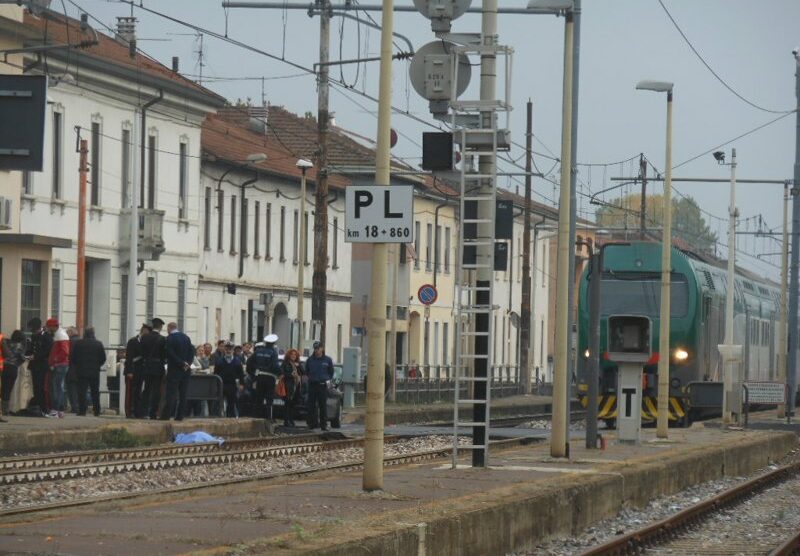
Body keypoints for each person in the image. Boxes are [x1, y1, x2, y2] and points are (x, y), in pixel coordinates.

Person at [70, 327, 107, 416]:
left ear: (85, 333)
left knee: (82, 391)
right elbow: (103, 358)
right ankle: (97, 410)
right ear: (93, 333)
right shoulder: (98, 344)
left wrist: (78, 366)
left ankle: (82, 410)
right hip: (94, 371)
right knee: (95, 391)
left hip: (81, 371)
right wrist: (97, 365)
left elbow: (73, 357)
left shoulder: (79, 343)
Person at [163, 322, 194, 421]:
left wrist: (181, 363)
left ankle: (166, 415)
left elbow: (170, 353)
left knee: (171, 393)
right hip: (186, 370)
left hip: (175, 369)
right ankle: (180, 415)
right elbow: (191, 352)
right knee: (183, 394)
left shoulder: (170, 338)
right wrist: (187, 363)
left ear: (169, 328)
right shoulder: (186, 337)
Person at [246, 334, 279, 422]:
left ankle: (257, 418)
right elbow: (276, 367)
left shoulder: (257, 352)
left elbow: (249, 363)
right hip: (270, 378)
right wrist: (280, 373)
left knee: (258, 398)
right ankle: (269, 418)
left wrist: (253, 374)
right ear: (273, 343)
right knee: (269, 400)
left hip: (259, 377)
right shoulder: (273, 352)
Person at [138, 318, 166, 419]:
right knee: (156, 391)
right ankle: (153, 413)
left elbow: (141, 352)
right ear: (160, 327)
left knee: (146, 389)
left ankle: (143, 412)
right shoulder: (162, 339)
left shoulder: (145, 337)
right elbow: (164, 354)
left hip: (147, 366)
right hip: (158, 367)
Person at [306, 341, 334, 431]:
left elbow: (331, 372)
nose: (316, 351)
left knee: (323, 406)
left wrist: (326, 379)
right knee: (311, 406)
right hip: (312, 385)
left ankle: (323, 425)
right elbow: (307, 371)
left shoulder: (327, 360)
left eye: (318, 349)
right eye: (315, 349)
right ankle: (311, 424)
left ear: (322, 349)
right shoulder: (310, 360)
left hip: (322, 386)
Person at [26, 317, 52, 415]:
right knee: (36, 386)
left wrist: (35, 356)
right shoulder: (34, 336)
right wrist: (28, 355)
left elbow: (47, 350)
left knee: (41, 386)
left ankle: (43, 407)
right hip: (34, 365)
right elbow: (31, 349)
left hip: (42, 364)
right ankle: (37, 405)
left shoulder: (46, 336)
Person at [46, 318, 70, 417]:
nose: (48, 328)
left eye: (49, 326)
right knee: (59, 387)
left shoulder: (60, 336)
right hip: (61, 364)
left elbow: (65, 352)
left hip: (59, 365)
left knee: (56, 388)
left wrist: (54, 360)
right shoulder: (61, 334)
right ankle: (60, 410)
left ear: (53, 326)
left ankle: (55, 410)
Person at [214, 341, 244, 417]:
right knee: (219, 403)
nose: (228, 350)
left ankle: (230, 418)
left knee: (231, 403)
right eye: (227, 348)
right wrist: (215, 385)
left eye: (230, 349)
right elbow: (215, 374)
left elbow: (241, 374)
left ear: (233, 350)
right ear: (224, 349)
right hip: (222, 384)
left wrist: (241, 384)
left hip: (232, 385)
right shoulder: (219, 361)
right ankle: (219, 417)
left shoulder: (237, 361)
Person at [1, 331, 25, 417]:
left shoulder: (6, 342)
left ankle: (3, 409)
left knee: (4, 388)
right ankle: (5, 410)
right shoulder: (19, 346)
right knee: (8, 389)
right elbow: (22, 358)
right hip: (13, 368)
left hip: (4, 367)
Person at [280, 348, 302, 427]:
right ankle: (286, 421)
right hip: (288, 386)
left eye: (295, 354)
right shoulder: (286, 363)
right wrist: (291, 374)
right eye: (292, 354)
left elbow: (303, 372)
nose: (293, 356)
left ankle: (291, 420)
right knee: (287, 404)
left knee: (293, 404)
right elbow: (283, 373)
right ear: (288, 355)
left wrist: (299, 365)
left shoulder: (297, 364)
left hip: (296, 386)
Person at [65, 327, 81, 414]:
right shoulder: (80, 340)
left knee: (72, 389)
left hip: (72, 368)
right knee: (79, 389)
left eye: (67, 332)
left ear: (71, 332)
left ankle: (74, 407)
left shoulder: (70, 341)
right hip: (80, 369)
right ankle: (79, 406)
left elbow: (69, 354)